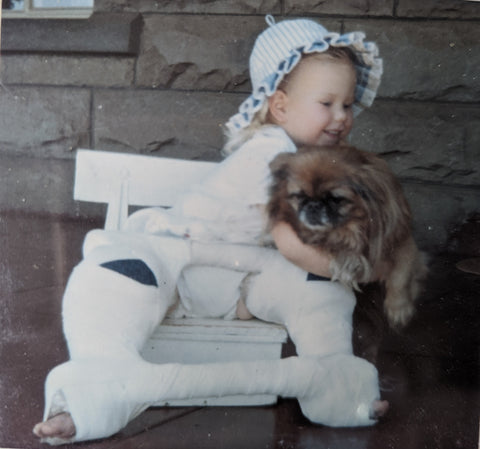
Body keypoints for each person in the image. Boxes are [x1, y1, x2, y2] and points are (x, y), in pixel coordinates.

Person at [33, 15, 386, 445]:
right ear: (280, 106)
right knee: (114, 273)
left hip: (236, 279)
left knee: (318, 287)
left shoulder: (311, 160)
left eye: (347, 105)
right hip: (178, 263)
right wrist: (353, 269)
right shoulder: (271, 152)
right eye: (327, 103)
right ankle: (93, 390)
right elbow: (291, 242)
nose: (341, 117)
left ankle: (335, 380)